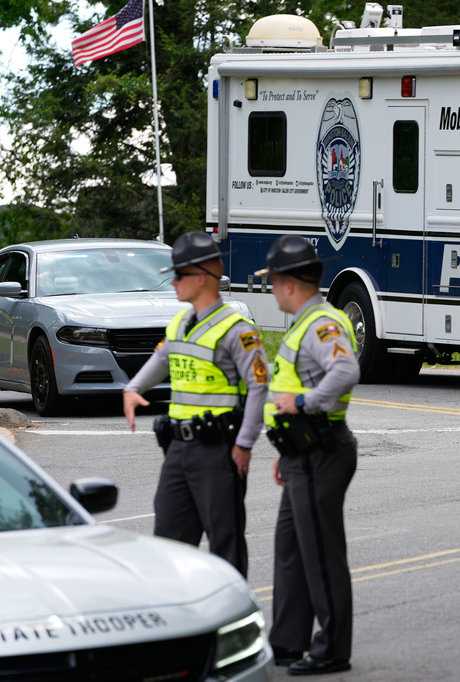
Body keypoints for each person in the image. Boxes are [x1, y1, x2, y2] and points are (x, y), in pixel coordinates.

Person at [123, 231, 268, 577]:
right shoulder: (181, 323)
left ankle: (230, 623)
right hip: (178, 451)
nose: (172, 283)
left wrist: (245, 445)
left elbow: (259, 386)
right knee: (169, 542)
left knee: (225, 543)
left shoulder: (237, 329)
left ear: (201, 278)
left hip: (218, 451)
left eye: (178, 275)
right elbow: (162, 358)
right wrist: (133, 388)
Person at [260, 235, 360, 676]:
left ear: (288, 283)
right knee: (291, 547)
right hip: (302, 451)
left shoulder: (322, 324)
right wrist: (286, 449)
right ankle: (286, 641)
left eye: (274, 281)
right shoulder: (304, 323)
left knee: (319, 551)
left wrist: (303, 405)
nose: (272, 289)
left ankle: (333, 648)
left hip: (322, 450)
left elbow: (346, 370)